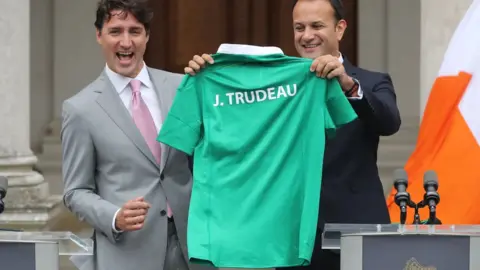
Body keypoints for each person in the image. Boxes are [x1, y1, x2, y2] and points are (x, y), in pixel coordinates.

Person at [184, 0, 401, 269]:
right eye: (299, 27)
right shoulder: (269, 88)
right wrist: (207, 84)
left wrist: (347, 85)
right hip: (289, 235)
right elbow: (221, 149)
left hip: (354, 229)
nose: (307, 35)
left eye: (317, 26)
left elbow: (389, 122)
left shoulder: (370, 81)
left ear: (340, 29)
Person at [61, 1, 200, 269]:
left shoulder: (182, 87)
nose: (126, 42)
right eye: (116, 31)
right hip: (127, 252)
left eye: (134, 31)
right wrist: (114, 217)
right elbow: (76, 191)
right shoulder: (80, 109)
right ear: (99, 35)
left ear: (147, 35)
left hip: (188, 249)